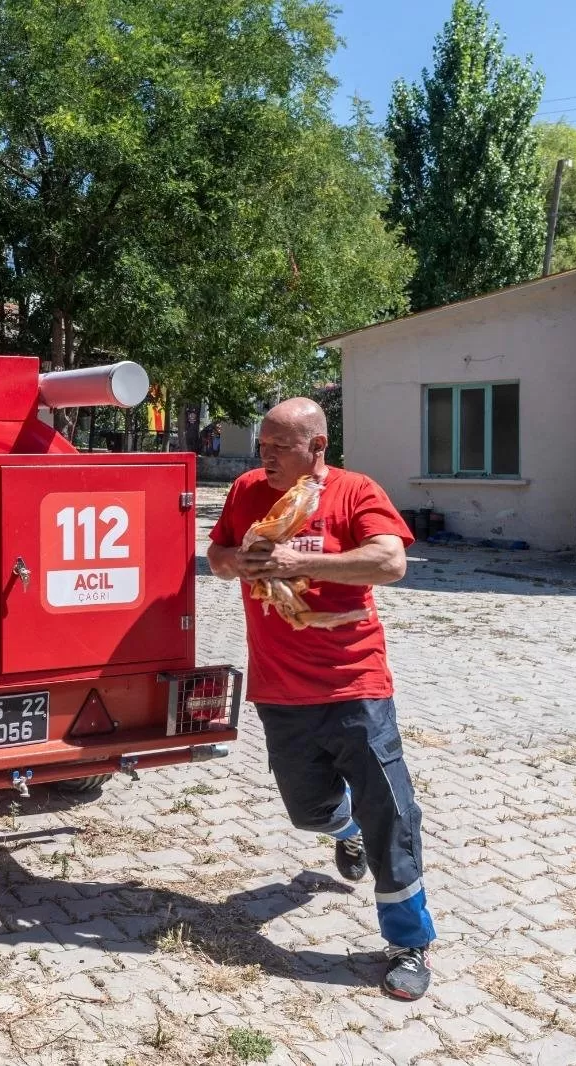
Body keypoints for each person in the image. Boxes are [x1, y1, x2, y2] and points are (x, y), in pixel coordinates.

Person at [207, 397, 437, 1000]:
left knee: (392, 812)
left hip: (354, 684)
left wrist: (297, 559)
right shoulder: (248, 492)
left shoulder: (355, 492)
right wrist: (240, 562)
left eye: (279, 448)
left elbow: (391, 561)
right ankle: (345, 829)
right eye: (262, 446)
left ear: (317, 448)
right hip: (279, 689)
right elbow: (218, 557)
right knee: (308, 811)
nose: (266, 459)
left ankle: (408, 943)